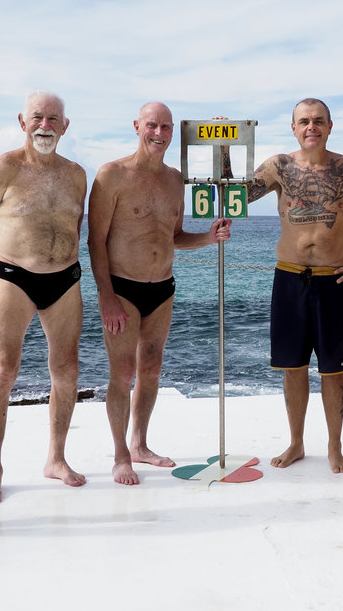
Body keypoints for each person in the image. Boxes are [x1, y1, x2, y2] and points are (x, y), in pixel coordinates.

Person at [88, 102, 232, 486]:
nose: (159, 133)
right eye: (152, 125)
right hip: (122, 288)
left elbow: (174, 237)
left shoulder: (175, 180)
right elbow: (96, 242)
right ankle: (120, 456)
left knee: (150, 370)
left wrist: (208, 237)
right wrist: (105, 297)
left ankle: (139, 445)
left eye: (165, 127)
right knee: (122, 373)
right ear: (137, 126)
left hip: (163, 288)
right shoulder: (111, 175)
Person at [246, 98, 343, 474]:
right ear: (294, 128)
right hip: (290, 277)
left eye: (318, 121)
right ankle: (295, 443)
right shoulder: (279, 166)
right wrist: (225, 150)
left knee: (333, 370)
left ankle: (333, 448)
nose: (312, 127)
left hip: (334, 280)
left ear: (329, 126)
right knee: (292, 367)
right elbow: (236, 196)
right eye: (304, 121)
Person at [0, 91, 87, 504]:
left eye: (53, 118)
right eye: (37, 117)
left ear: (65, 125)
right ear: (22, 122)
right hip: (13, 276)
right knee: (4, 370)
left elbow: (77, 226)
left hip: (66, 279)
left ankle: (56, 458)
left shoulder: (77, 174)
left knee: (67, 370)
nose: (45, 125)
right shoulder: (5, 167)